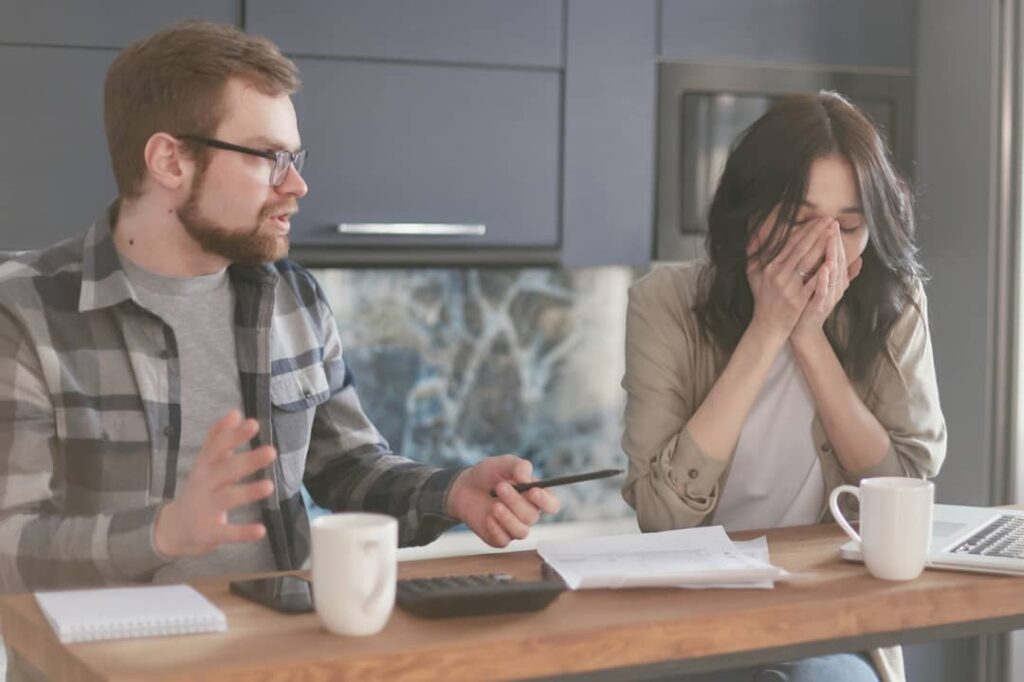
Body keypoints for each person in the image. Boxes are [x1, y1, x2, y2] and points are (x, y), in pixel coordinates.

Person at [0, 21, 559, 596]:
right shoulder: (23, 310)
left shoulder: (293, 298)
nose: (296, 185)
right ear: (170, 161)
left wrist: (454, 491)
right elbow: (9, 546)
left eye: (294, 158)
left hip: (279, 650)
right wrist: (163, 533)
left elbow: (347, 467)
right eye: (268, 156)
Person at [621, 92, 946, 682]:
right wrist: (767, 330)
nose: (825, 251)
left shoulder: (893, 305)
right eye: (799, 223)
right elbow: (661, 517)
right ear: (748, 215)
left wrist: (809, 339)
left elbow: (907, 488)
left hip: (830, 618)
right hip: (695, 615)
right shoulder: (662, 304)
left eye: (848, 227)